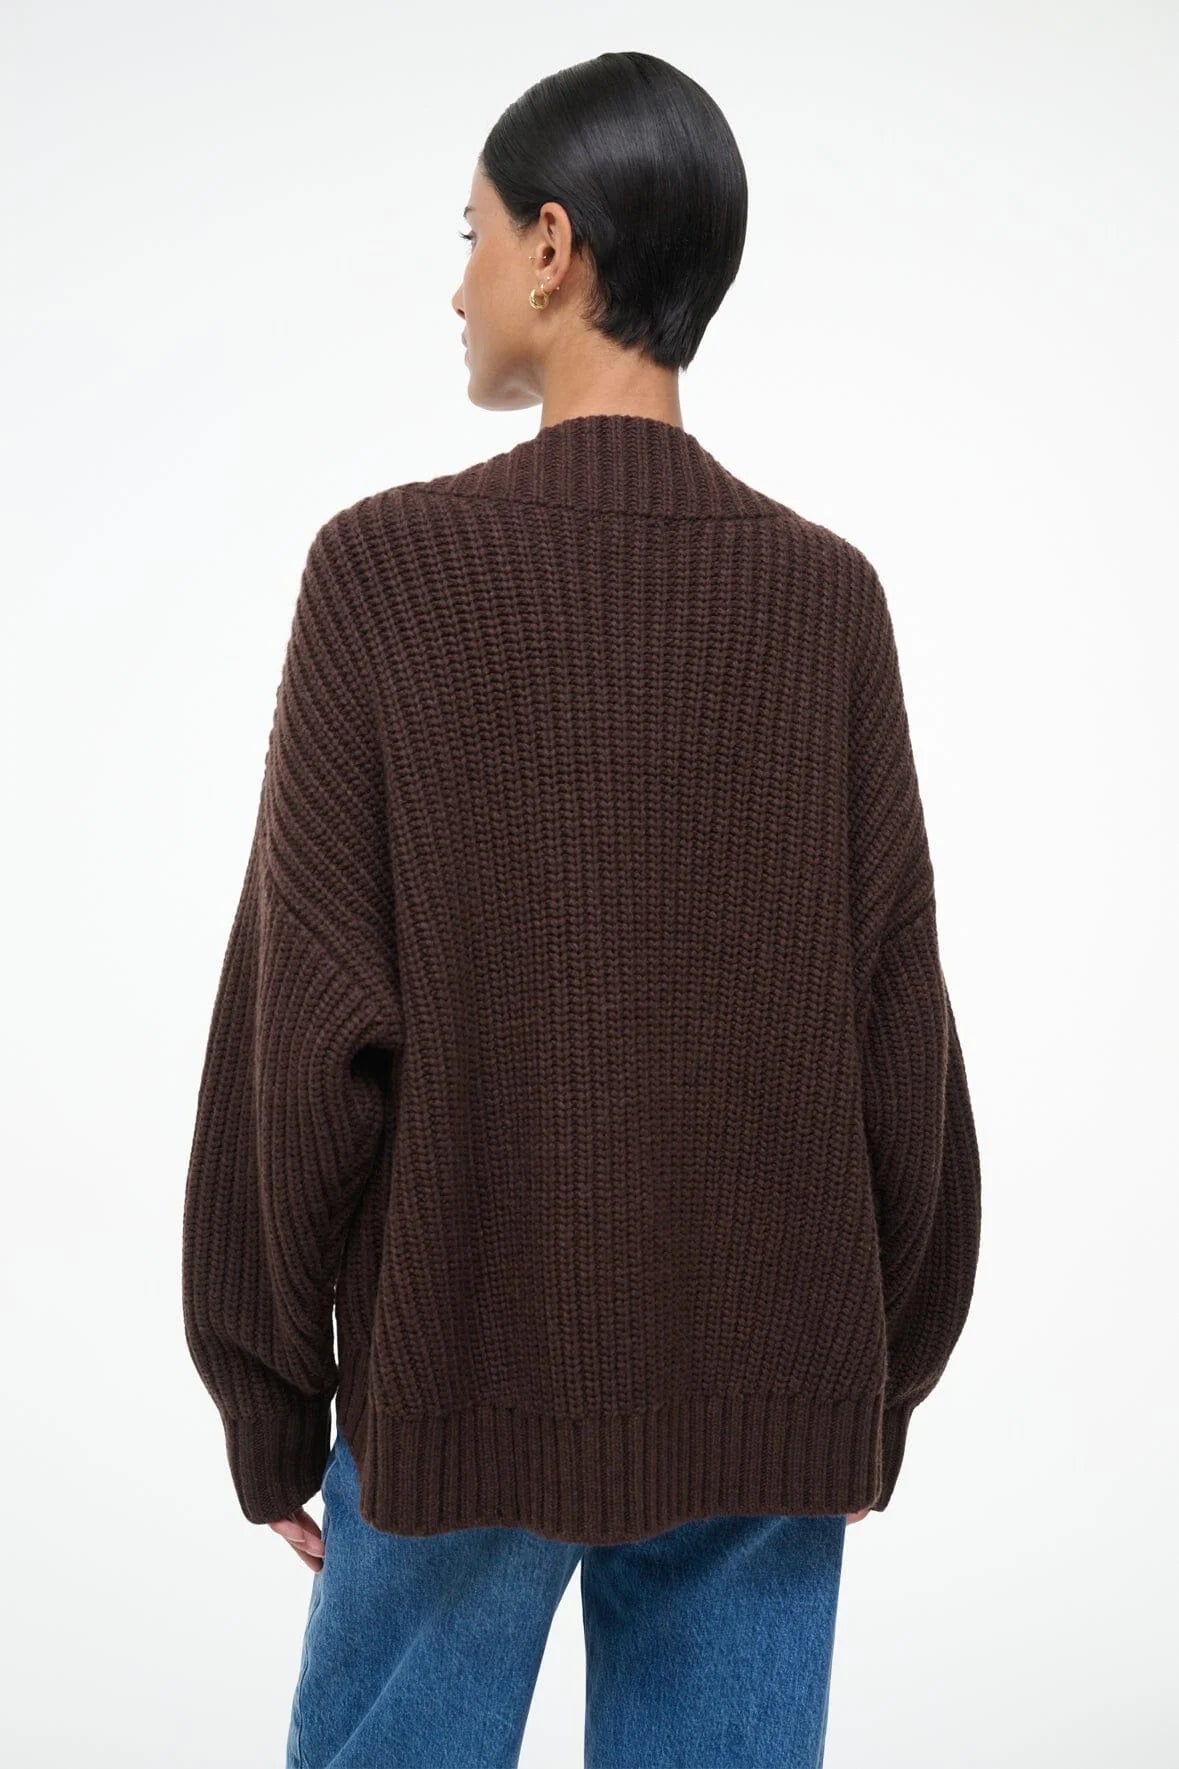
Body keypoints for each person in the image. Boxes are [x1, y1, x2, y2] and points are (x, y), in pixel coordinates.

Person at [181, 49, 982, 1769]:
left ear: (554, 248)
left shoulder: (383, 573)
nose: (454, 282)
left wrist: (269, 1398)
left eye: (468, 234)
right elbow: (899, 1034)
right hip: (768, 1385)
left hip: (460, 1378)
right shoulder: (826, 601)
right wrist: (875, 1375)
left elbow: (298, 1030)